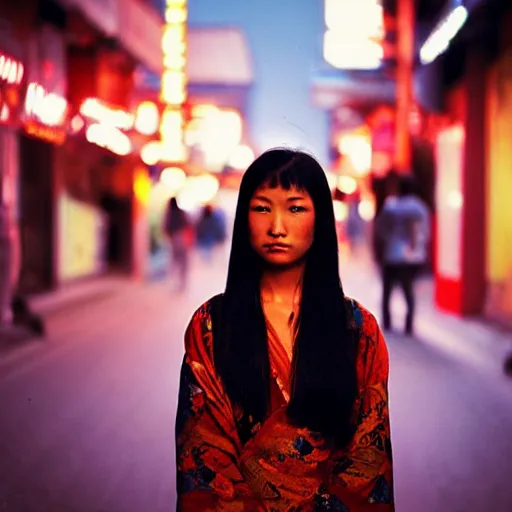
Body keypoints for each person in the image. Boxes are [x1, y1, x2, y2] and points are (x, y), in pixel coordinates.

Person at [175, 149, 394, 511]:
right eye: (262, 208)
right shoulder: (211, 325)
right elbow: (202, 453)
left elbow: (369, 460)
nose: (277, 226)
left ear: (320, 219)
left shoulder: (359, 330)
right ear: (243, 218)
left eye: (295, 208)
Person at [375, 174, 430, 336]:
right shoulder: (421, 208)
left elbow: (381, 231)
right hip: (412, 257)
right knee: (409, 291)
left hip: (391, 254)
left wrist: (378, 254)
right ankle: (409, 325)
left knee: (387, 291)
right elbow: (425, 233)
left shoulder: (390, 206)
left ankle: (387, 322)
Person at [164, 197, 192, 292]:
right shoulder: (181, 212)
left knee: (175, 262)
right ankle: (182, 283)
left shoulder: (169, 214)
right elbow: (188, 224)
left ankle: (174, 283)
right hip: (182, 239)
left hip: (173, 241)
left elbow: (166, 228)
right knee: (183, 263)